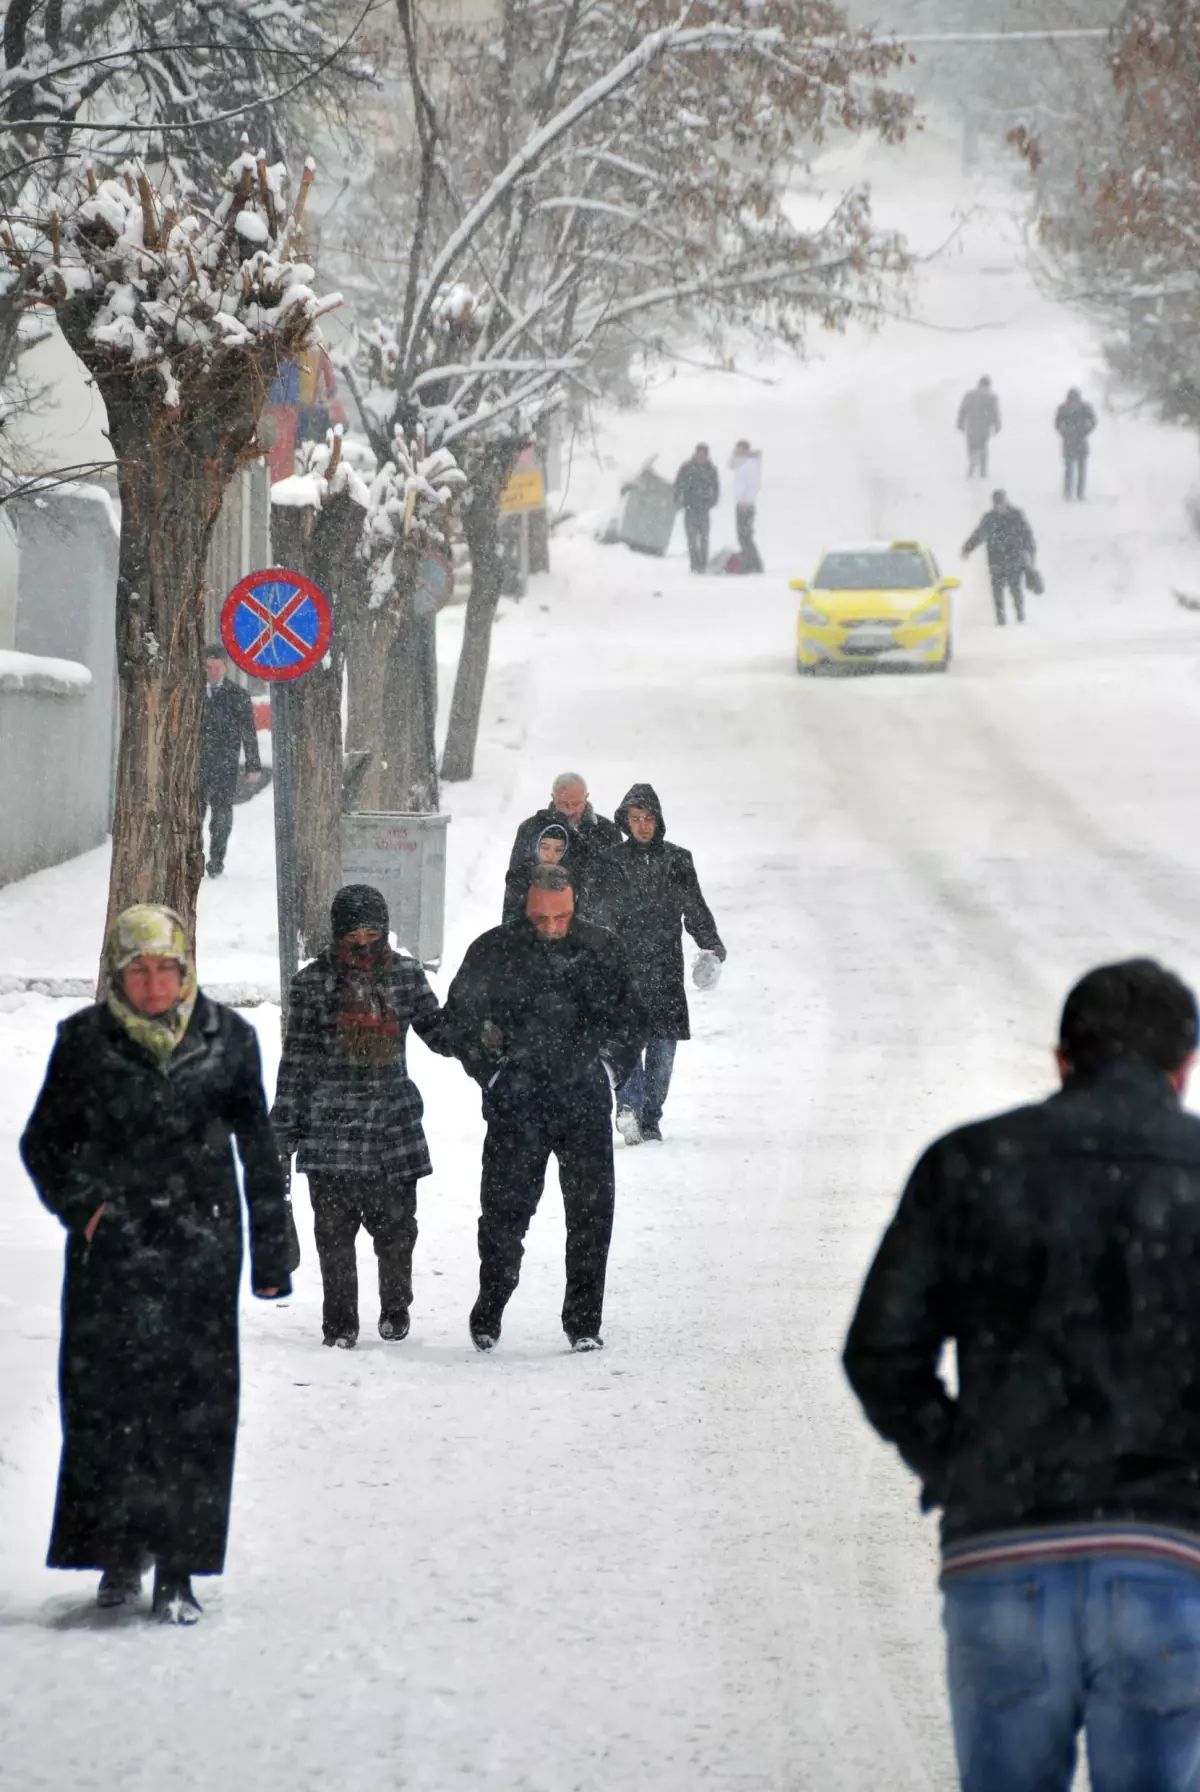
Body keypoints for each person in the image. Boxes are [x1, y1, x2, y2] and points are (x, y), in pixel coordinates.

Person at [844, 959, 1200, 1792]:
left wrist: (963, 1464)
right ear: (1183, 1068)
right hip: (1169, 1555)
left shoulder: (970, 1164)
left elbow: (881, 1353)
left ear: (1062, 1057)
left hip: (1003, 1553)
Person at [19, 904, 297, 1626]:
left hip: (200, 1253)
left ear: (185, 970)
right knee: (110, 1409)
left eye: (164, 969)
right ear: (118, 973)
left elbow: (259, 1151)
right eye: (138, 971)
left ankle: (178, 1569)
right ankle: (115, 1555)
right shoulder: (82, 1042)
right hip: (112, 1256)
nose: (152, 984)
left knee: (194, 1412)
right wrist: (90, 1210)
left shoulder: (228, 1040)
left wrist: (272, 1252)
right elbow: (43, 1143)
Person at [443, 864, 645, 1354]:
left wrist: (607, 1068)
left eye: (562, 917)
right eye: (541, 919)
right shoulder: (493, 950)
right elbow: (458, 1023)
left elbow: (633, 1019)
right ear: (525, 908)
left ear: (575, 906)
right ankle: (490, 1305)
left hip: (583, 1100)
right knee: (503, 1215)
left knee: (592, 1215)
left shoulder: (602, 949)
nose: (553, 927)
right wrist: (491, 1074)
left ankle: (583, 1321)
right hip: (518, 1103)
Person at [271, 884, 453, 1349]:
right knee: (332, 1237)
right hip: (329, 1129)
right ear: (337, 933)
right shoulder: (313, 984)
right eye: (353, 933)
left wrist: (485, 1025)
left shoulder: (406, 977)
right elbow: (297, 1061)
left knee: (397, 1231)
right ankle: (340, 1325)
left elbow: (441, 1033)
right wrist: (282, 1131)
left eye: (373, 931)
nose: (364, 941)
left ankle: (396, 1305)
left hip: (391, 1126)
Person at [608, 783, 726, 1145]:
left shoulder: (677, 860)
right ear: (626, 822)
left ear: (658, 820)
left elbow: (695, 908)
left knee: (662, 1052)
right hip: (623, 970)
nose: (642, 825)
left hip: (664, 969)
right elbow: (598, 915)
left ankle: (651, 1116)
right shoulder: (610, 862)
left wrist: (713, 948)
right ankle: (628, 1108)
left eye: (648, 818)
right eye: (635, 818)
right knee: (625, 1045)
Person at [502, 772, 622, 924]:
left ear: (586, 797)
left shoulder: (607, 832)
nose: (570, 810)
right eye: (563, 804)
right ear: (553, 798)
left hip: (591, 927)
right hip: (541, 925)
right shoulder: (530, 829)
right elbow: (515, 884)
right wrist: (511, 931)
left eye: (576, 803)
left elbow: (615, 888)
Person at [201, 644, 263, 878]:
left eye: (216, 668)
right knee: (192, 816)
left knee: (221, 816)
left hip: (225, 765)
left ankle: (216, 860)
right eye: (208, 668)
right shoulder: (193, 692)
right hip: (196, 765)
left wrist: (253, 764)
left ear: (225, 667)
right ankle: (192, 858)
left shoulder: (237, 696)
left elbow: (249, 731)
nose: (212, 672)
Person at [962, 490, 1036, 626]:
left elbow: (1027, 535)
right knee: (997, 591)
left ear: (1005, 501)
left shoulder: (1016, 515)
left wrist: (1030, 553)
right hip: (996, 560)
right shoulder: (989, 518)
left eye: (1000, 502)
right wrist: (967, 548)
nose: (999, 505)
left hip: (1014, 559)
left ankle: (1020, 615)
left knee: (1016, 589)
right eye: (996, 503)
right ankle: (1000, 618)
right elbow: (979, 535)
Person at [673, 443, 720, 573]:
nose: (701, 456)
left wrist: (713, 501)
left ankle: (703, 564)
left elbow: (716, 488)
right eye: (699, 453)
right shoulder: (687, 467)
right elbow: (678, 484)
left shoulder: (711, 469)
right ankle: (695, 564)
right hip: (690, 507)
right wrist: (677, 499)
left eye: (703, 454)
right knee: (691, 538)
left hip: (704, 508)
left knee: (704, 538)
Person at [1055, 386, 1097, 501]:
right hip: (1073, 442)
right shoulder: (1064, 409)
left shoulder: (1084, 408)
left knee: (1077, 470)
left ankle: (1077, 493)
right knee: (1072, 469)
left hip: (1078, 441)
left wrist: (1085, 429)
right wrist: (1065, 432)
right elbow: (1058, 424)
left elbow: (1093, 421)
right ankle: (1070, 493)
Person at [729, 440, 764, 574]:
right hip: (741, 503)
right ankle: (750, 561)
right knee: (742, 535)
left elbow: (753, 485)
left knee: (745, 535)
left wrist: (745, 501)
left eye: (738, 449)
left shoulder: (750, 465)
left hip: (746, 505)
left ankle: (754, 563)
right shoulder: (741, 464)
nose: (736, 452)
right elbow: (731, 466)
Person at [956, 376, 1001, 478]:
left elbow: (963, 410)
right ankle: (983, 471)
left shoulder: (969, 395)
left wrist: (960, 423)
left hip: (972, 426)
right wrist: (997, 425)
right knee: (983, 447)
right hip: (984, 428)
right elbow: (995, 413)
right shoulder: (991, 397)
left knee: (972, 446)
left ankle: (972, 465)